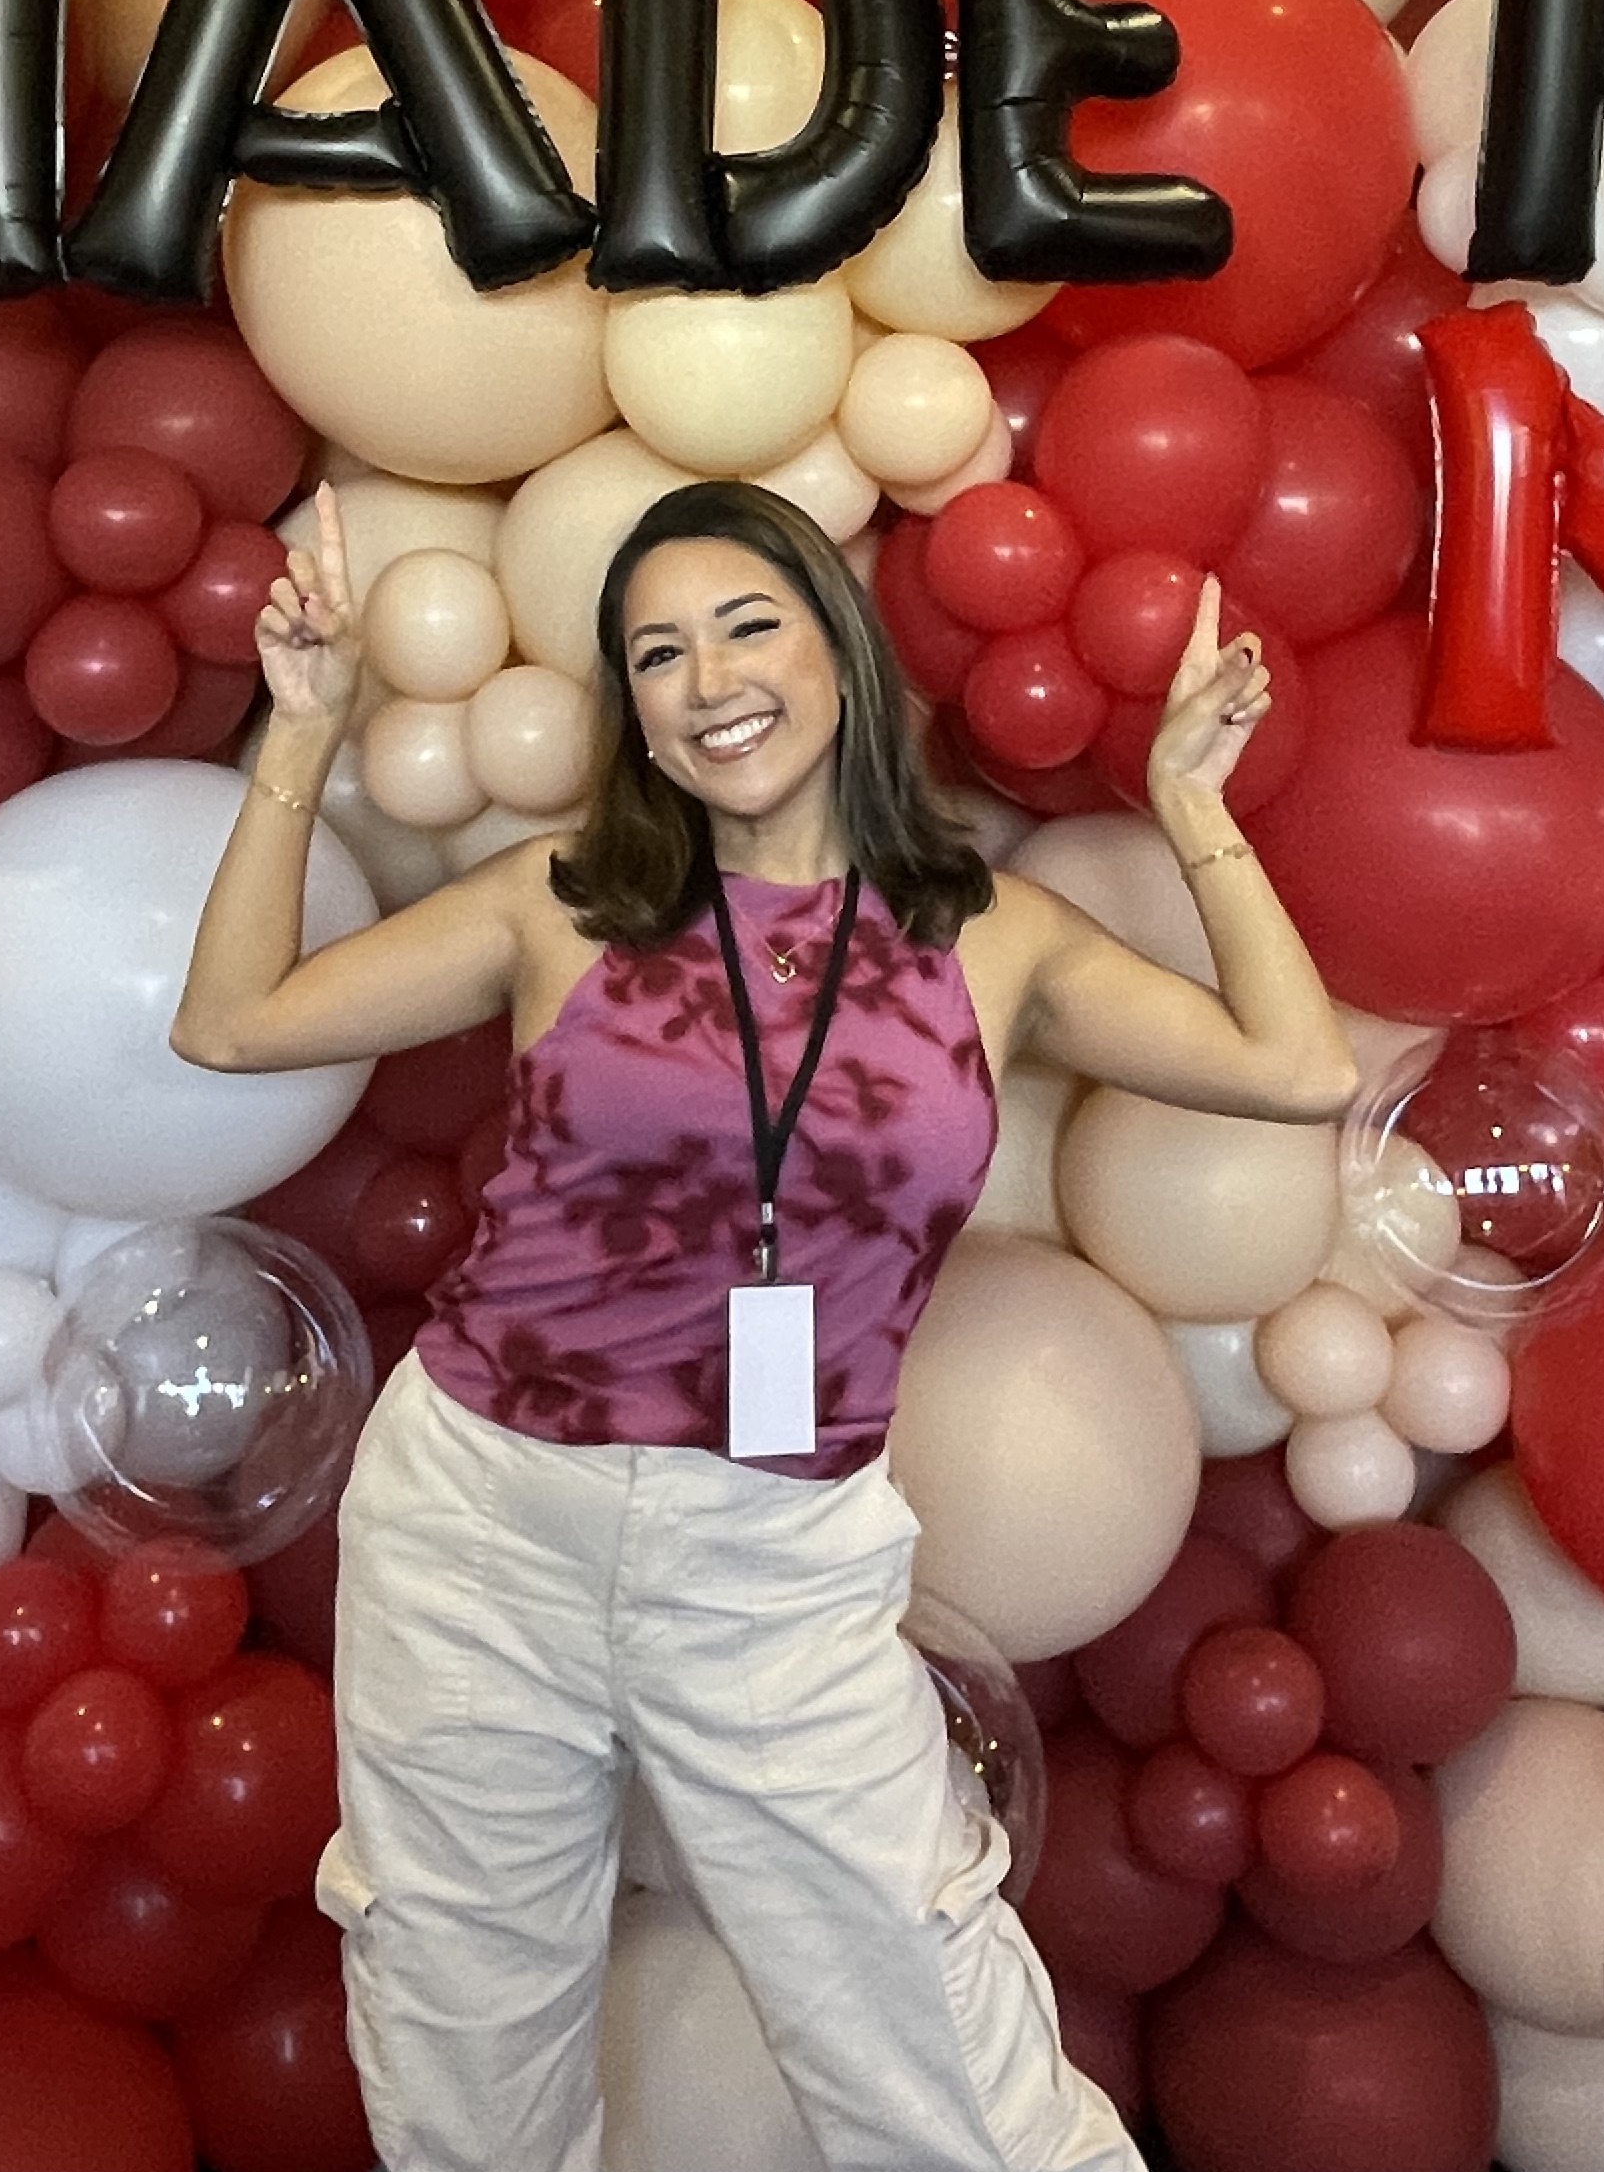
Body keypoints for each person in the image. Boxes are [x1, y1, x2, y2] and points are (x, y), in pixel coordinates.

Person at [173, 476, 1354, 2172]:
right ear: (639, 718)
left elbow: (1297, 1068)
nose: (706, 677)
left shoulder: (984, 935)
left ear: (841, 655)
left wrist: (1193, 810)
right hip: (480, 1515)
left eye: (747, 625)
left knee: (921, 2017)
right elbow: (233, 1024)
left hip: (772, 1545)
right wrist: (301, 735)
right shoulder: (558, 902)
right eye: (656, 654)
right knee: (459, 2024)